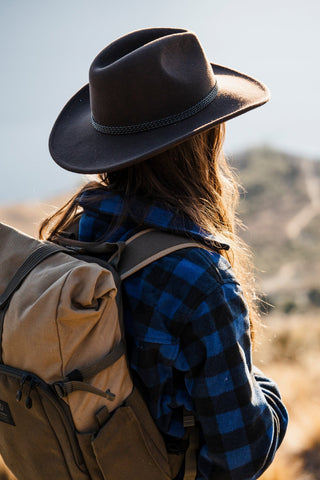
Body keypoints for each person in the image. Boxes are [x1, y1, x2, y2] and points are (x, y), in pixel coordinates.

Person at [41, 28, 288, 480]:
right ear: (204, 141)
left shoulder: (63, 240)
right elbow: (241, 455)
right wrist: (265, 391)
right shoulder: (199, 278)